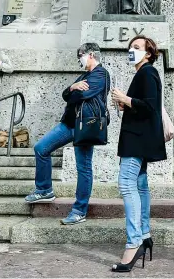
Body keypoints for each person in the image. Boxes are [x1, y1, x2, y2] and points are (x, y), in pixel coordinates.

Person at [24, 43, 110, 226]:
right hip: (69, 124)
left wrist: (74, 91)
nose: (79, 59)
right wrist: (72, 88)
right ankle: (44, 189)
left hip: (86, 125)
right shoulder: (84, 75)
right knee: (41, 148)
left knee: (83, 168)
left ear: (91, 54)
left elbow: (81, 96)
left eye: (80, 55)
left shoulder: (101, 74)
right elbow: (66, 94)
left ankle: (79, 210)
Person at [110, 35, 165, 272]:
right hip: (139, 138)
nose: (131, 50)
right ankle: (144, 235)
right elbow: (144, 104)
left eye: (137, 47)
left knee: (126, 183)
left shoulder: (147, 72)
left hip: (137, 140)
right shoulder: (143, 73)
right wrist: (127, 103)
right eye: (130, 47)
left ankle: (134, 243)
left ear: (149, 53)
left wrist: (125, 98)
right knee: (140, 185)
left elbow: (151, 106)